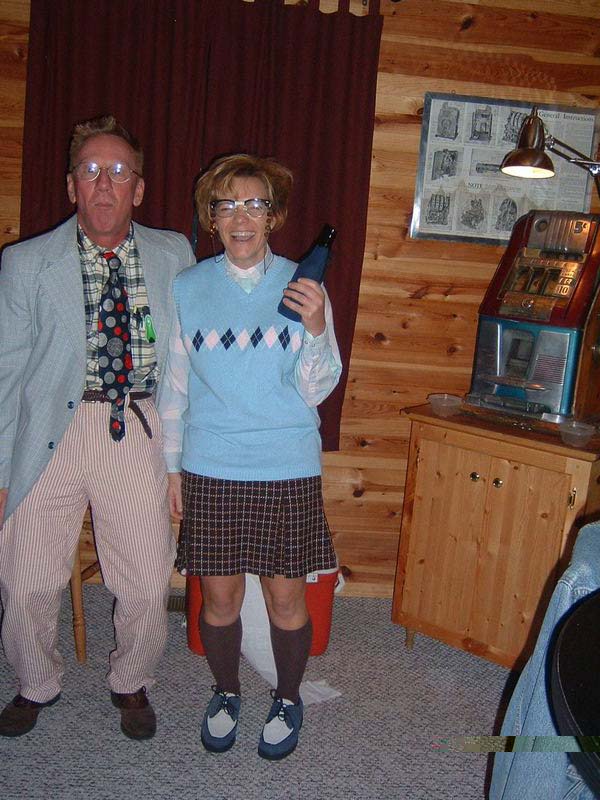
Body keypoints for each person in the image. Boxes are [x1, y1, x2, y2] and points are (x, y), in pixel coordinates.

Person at [0, 115, 195, 740]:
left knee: (145, 577)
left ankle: (132, 679)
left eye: (118, 171)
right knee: (27, 580)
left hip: (134, 423)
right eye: (90, 171)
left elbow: (189, 360)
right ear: (70, 186)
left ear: (139, 188)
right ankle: (36, 682)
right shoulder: (25, 263)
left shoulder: (174, 254)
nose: (104, 183)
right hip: (47, 433)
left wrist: (183, 458)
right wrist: (1, 471)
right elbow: (5, 371)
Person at [158, 153, 342, 760]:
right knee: (218, 599)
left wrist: (316, 327)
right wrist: (172, 466)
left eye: (255, 204)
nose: (242, 217)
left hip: (285, 466)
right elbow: (175, 388)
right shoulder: (187, 288)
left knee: (286, 599)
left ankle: (287, 698)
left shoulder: (303, 285)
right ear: (211, 217)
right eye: (227, 205)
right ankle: (226, 691)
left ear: (274, 216)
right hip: (212, 466)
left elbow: (317, 388)